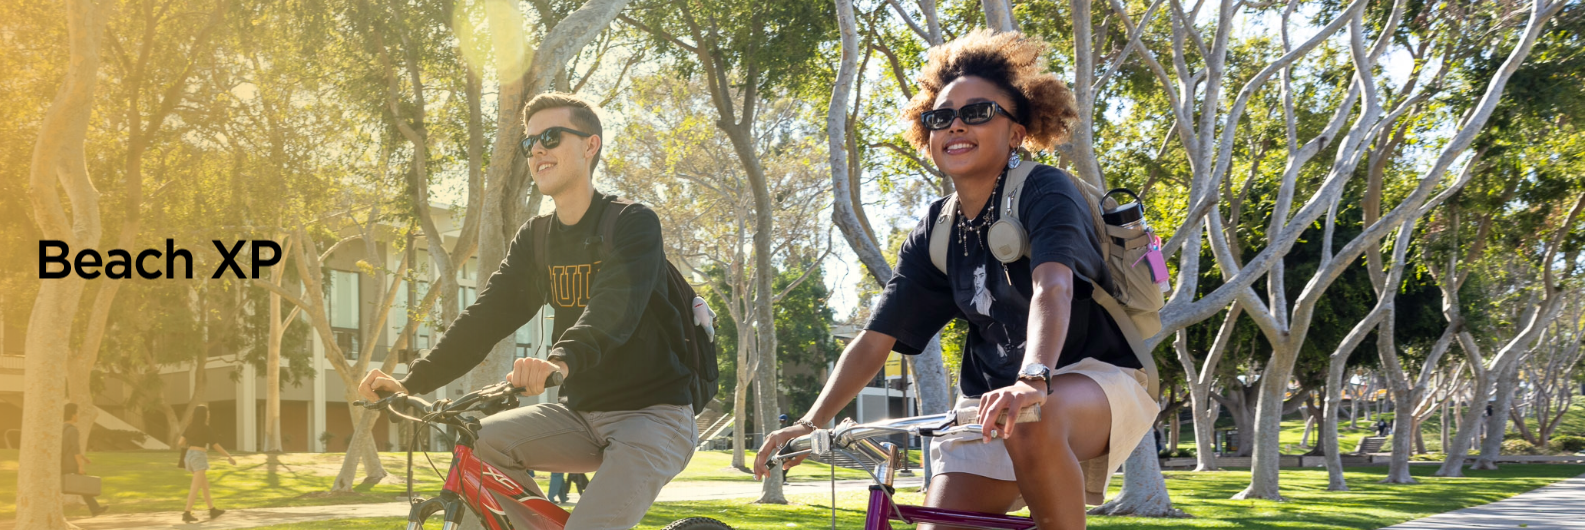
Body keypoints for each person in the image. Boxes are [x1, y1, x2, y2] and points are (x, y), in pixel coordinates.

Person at [753, 30, 1159, 530]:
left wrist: (1033, 380)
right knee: (940, 524)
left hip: (1092, 377)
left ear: (1016, 133)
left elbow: (1051, 289)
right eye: (940, 117)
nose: (956, 125)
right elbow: (875, 340)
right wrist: (810, 422)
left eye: (978, 112)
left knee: (1034, 417)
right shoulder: (937, 228)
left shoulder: (1044, 190)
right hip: (991, 401)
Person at [360, 92, 698, 530]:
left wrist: (560, 360)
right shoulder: (536, 239)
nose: (537, 149)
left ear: (590, 145)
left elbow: (615, 304)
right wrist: (411, 381)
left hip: (653, 416)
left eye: (551, 137)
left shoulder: (632, 222)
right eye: (529, 142)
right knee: (481, 445)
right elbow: (485, 319)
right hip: (579, 416)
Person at [176, 405, 236, 524]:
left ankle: (212, 510)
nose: (209, 414)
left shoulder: (189, 427)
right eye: (208, 413)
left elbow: (180, 442)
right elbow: (215, 445)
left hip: (189, 456)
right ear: (204, 415)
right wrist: (229, 456)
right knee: (195, 487)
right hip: (199, 457)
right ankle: (186, 513)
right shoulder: (206, 428)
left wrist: (192, 439)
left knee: (205, 486)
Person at [61, 403, 108, 517]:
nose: (78, 415)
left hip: (60, 463)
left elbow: (67, 447)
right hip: (70, 464)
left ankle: (95, 509)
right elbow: (75, 449)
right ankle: (95, 509)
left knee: (60, 486)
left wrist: (83, 457)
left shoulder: (61, 428)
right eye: (77, 413)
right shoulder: (73, 430)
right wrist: (80, 466)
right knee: (83, 484)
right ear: (73, 415)